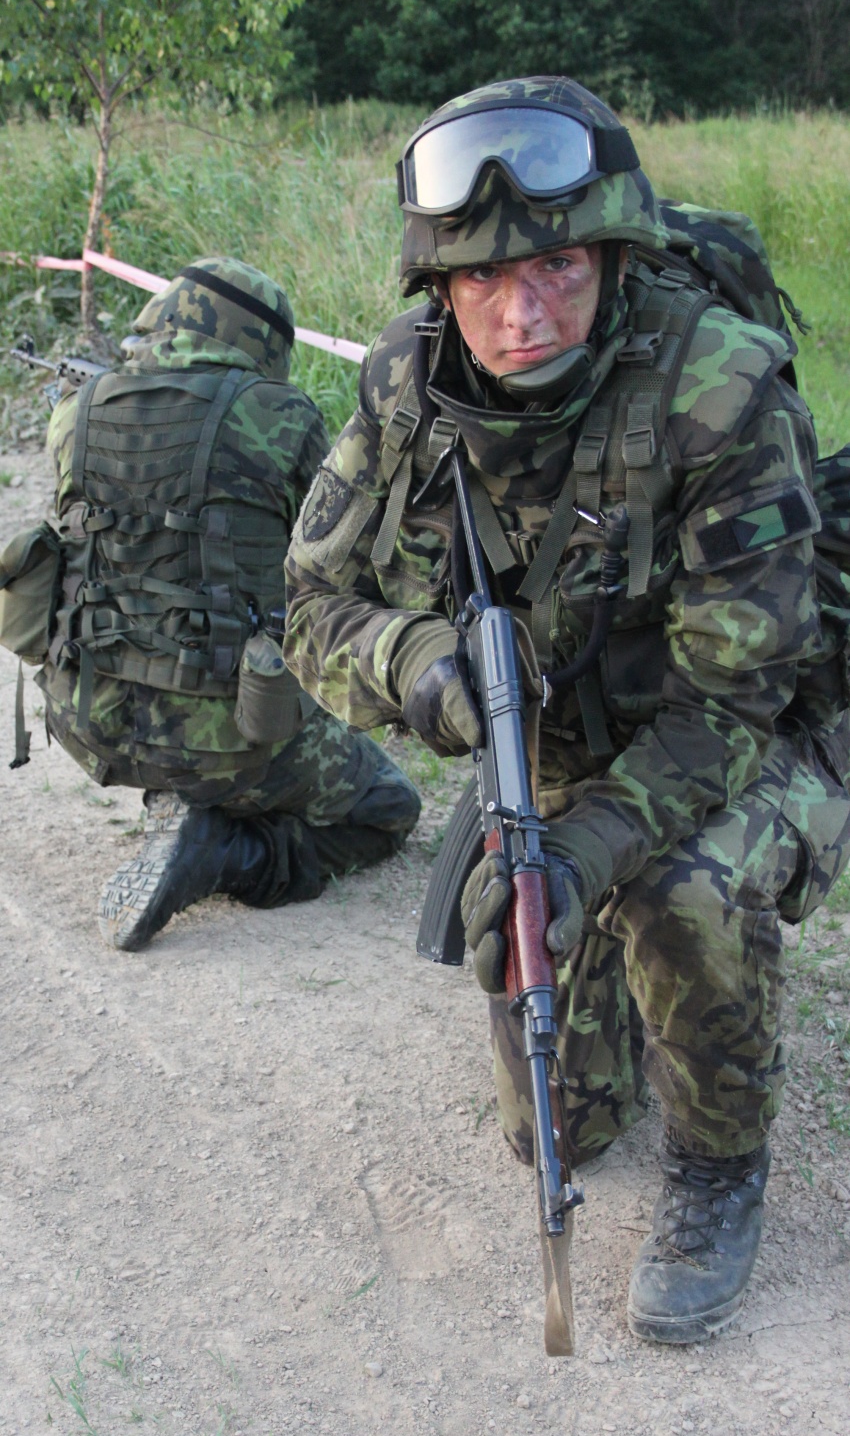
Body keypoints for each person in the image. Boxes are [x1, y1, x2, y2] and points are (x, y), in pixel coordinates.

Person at [283, 77, 850, 1344]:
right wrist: (420, 664)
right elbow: (309, 606)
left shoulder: (717, 386)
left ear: (613, 257)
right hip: (559, 741)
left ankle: (718, 1166)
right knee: (556, 1119)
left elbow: (732, 702)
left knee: (680, 889)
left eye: (558, 267)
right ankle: (622, 992)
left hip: (761, 736)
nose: (521, 311)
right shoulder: (404, 384)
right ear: (438, 286)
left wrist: (589, 849)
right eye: (483, 278)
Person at [37, 257, 420, 952]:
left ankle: (181, 796)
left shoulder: (75, 410)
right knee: (389, 807)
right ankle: (225, 851)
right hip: (235, 736)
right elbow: (340, 569)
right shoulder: (283, 415)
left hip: (89, 722)